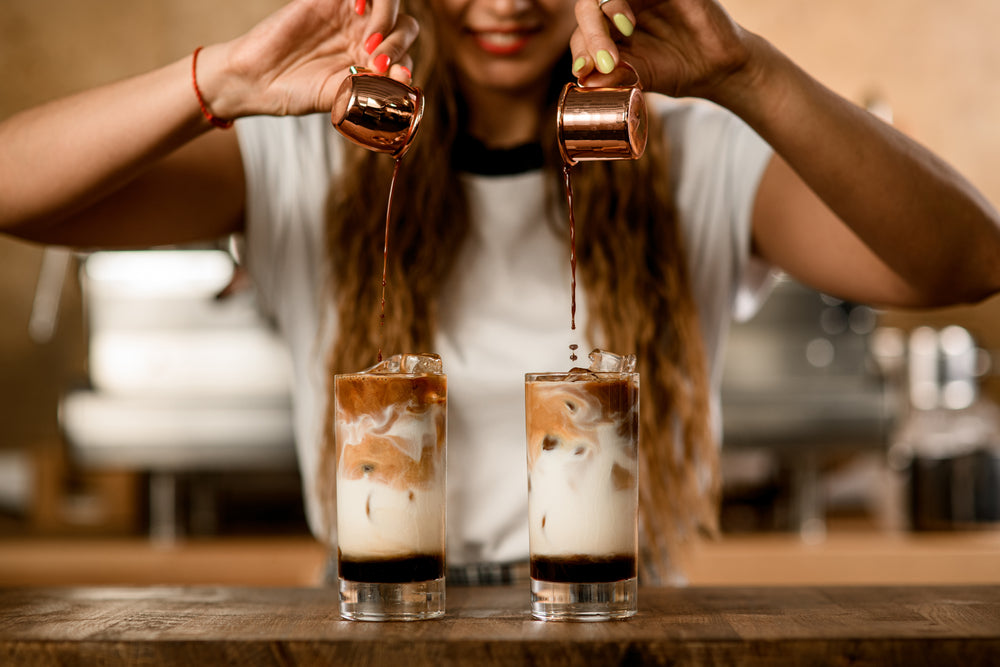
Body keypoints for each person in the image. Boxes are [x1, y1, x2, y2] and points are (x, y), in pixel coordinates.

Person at [1, 0, 998, 584]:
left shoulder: (700, 152)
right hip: (380, 614)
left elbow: (970, 260)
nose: (507, 3)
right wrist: (222, 81)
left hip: (621, 621)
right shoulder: (311, 155)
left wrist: (746, 72)